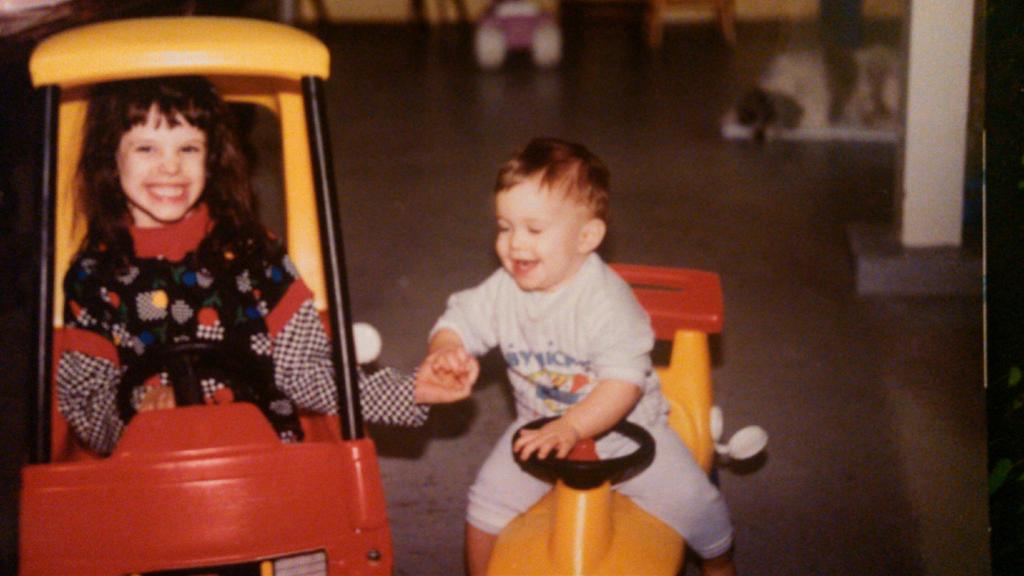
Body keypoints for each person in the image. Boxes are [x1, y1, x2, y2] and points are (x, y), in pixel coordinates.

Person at [57, 75, 467, 456]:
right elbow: (85, 400)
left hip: (260, 460)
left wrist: (410, 391)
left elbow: (306, 374)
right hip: (149, 468)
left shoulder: (252, 253)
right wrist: (137, 405)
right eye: (147, 148)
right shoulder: (94, 275)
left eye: (188, 148)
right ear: (111, 159)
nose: (170, 166)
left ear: (212, 159)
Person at [416, 138, 737, 575]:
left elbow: (623, 383)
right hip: (537, 429)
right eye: (504, 226)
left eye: (533, 229)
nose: (514, 244)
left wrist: (573, 426)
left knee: (700, 507)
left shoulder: (607, 303)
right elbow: (460, 317)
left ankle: (719, 565)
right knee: (484, 502)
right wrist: (446, 348)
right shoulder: (504, 289)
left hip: (630, 434)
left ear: (587, 236)